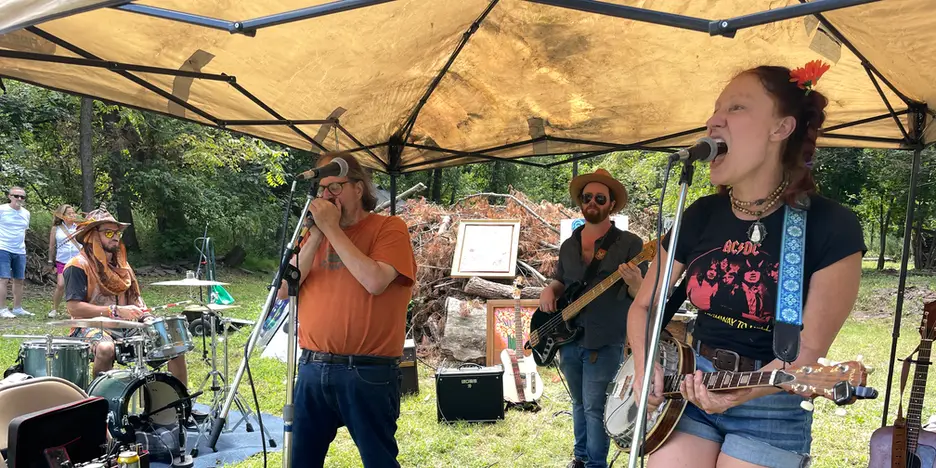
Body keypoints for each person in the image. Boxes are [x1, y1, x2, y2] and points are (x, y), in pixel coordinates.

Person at [627, 62, 866, 468]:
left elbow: (809, 350)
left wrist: (745, 391)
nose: (713, 120)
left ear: (781, 128)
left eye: (736, 107)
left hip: (771, 400)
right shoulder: (701, 214)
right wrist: (643, 366)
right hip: (689, 385)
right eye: (715, 109)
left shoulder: (831, 225)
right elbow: (644, 305)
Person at [277, 152, 416, 467]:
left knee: (379, 461)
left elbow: (375, 281)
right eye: (322, 189)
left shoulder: (389, 228)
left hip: (368, 371)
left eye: (335, 187)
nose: (327, 196)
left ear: (358, 188)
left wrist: (332, 230)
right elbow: (284, 289)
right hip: (312, 367)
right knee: (300, 461)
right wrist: (317, 234)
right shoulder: (313, 235)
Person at [538, 169, 646, 468]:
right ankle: (581, 457)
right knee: (578, 402)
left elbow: (642, 294)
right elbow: (562, 281)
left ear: (611, 204)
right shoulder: (569, 245)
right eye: (587, 197)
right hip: (568, 335)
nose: (592, 203)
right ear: (581, 201)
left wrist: (635, 282)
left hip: (605, 337)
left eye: (600, 198)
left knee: (596, 407)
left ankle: (596, 464)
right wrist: (549, 289)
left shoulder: (630, 244)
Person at [63, 205, 188, 384]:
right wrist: (114, 311)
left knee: (172, 345)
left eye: (117, 233)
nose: (115, 237)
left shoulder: (123, 266)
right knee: (105, 348)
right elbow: (74, 308)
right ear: (92, 236)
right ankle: (100, 398)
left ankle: (178, 398)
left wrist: (146, 316)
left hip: (126, 326)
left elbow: (135, 299)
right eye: (108, 233)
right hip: (89, 326)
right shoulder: (77, 265)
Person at [0, 186, 33, 318]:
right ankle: (2, 309)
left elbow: (24, 231)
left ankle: (17, 308)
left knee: (19, 279)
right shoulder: (2, 209)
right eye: (16, 196)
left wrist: (22, 246)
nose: (19, 199)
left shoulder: (26, 213)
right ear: (9, 196)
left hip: (19, 250)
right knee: (3, 279)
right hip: (3, 247)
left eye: (22, 197)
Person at [48, 204, 82, 318]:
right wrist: (50, 261)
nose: (72, 215)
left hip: (78, 260)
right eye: (69, 213)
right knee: (61, 284)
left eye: (73, 213)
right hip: (62, 260)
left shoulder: (80, 227)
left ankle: (77, 310)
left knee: (78, 286)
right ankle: (54, 309)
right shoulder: (56, 228)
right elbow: (51, 246)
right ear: (62, 216)